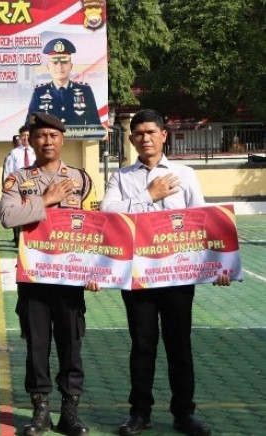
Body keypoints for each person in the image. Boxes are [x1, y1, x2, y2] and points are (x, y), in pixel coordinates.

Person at [100, 109, 230, 436]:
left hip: (177, 275)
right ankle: (139, 413)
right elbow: (109, 214)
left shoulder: (185, 174)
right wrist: (149, 195)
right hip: (138, 275)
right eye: (139, 133)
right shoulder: (121, 177)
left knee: (179, 345)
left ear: (163, 135)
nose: (145, 138)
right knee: (142, 345)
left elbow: (202, 219)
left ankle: (184, 414)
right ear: (131, 139)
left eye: (151, 132)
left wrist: (220, 264)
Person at [0, 112, 99, 436]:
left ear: (62, 139)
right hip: (34, 277)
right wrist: (46, 199)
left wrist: (96, 269)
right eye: (41, 136)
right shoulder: (18, 179)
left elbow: (96, 225)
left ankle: (70, 410)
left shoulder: (82, 179)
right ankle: (40, 410)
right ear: (31, 139)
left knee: (71, 343)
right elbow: (8, 216)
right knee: (37, 345)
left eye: (53, 136)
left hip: (70, 277)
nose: (47, 141)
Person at [27, 38, 101, 127]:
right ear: (48, 67)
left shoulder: (85, 91)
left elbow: (95, 124)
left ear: (71, 66)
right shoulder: (39, 92)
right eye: (55, 62)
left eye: (64, 62)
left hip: (77, 140)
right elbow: (30, 124)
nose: (60, 66)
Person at [2, 125, 34, 247]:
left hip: (33, 188)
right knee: (17, 213)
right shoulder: (14, 153)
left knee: (32, 213)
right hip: (17, 188)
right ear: (20, 137)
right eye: (23, 136)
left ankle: (30, 239)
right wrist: (8, 189)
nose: (25, 138)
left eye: (28, 135)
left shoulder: (36, 151)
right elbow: (8, 172)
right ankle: (18, 239)